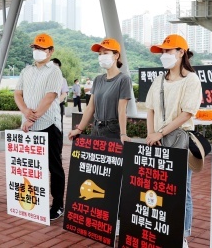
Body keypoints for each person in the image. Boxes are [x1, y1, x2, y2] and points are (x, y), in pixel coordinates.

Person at [143, 34, 202, 247]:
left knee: (181, 188)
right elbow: (149, 109)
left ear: (181, 52)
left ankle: (182, 234)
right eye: (162, 52)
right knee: (158, 186)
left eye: (169, 51)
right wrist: (152, 134)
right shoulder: (159, 80)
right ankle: (163, 227)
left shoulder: (191, 80)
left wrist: (161, 132)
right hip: (156, 140)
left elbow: (187, 113)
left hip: (178, 140)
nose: (164, 55)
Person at [14, 33, 65, 221]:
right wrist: (25, 111)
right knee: (32, 167)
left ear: (50, 51)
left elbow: (50, 97)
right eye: (35, 48)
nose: (38, 51)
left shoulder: (54, 71)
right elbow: (17, 94)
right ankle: (35, 201)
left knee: (54, 167)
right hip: (29, 127)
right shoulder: (26, 71)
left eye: (42, 48)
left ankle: (58, 205)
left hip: (48, 125)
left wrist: (31, 118)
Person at [67, 38, 132, 142]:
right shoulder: (98, 79)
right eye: (99, 54)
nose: (101, 57)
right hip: (96, 128)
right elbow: (90, 108)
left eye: (105, 53)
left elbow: (122, 110)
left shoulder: (123, 79)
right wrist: (79, 129)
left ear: (116, 55)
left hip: (112, 130)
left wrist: (123, 134)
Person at [51, 58, 69, 131]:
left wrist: (55, 103)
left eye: (56, 65)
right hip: (45, 107)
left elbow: (64, 94)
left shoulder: (62, 80)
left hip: (58, 106)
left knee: (57, 126)